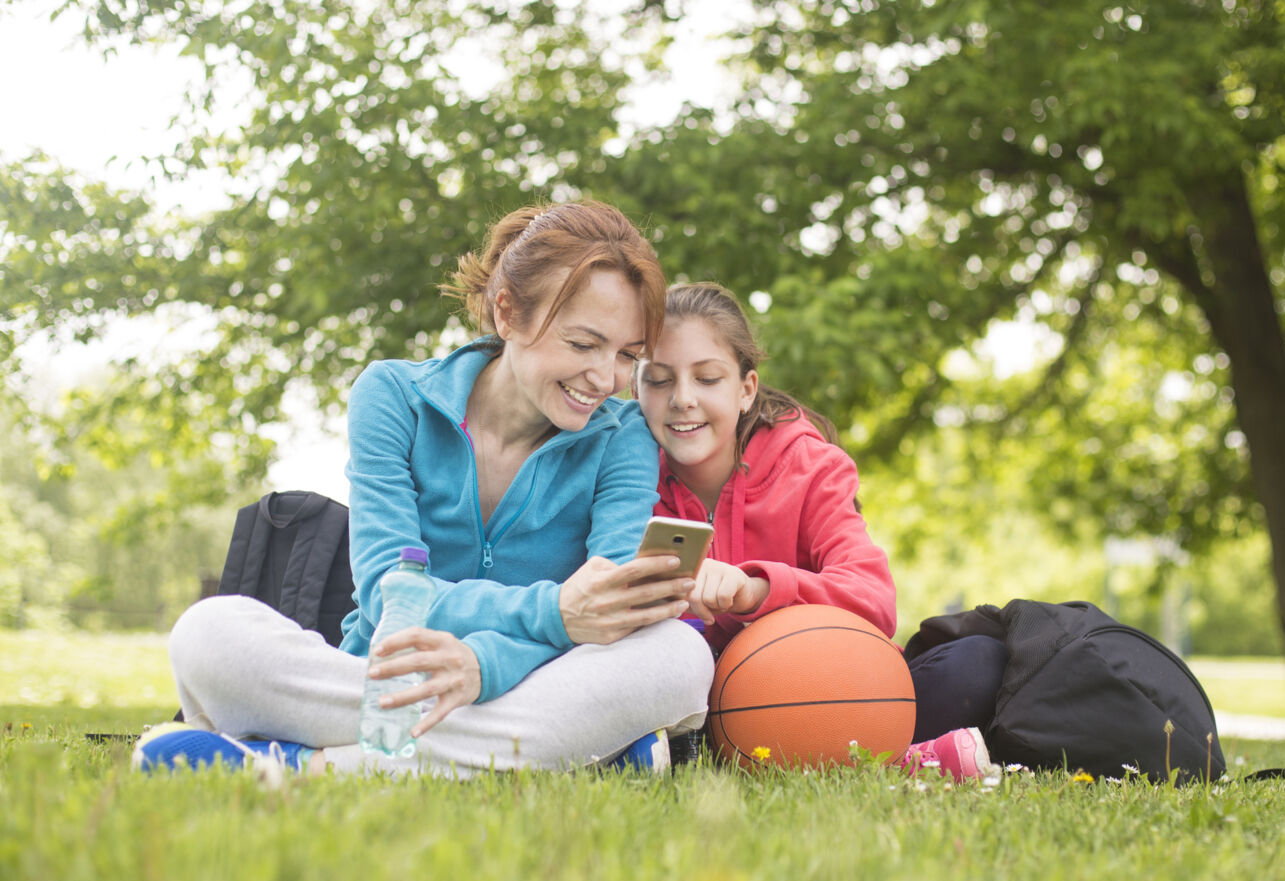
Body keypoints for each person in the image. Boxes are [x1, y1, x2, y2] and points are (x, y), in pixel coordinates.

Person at [138, 201, 715, 777]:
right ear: (508, 312)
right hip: (392, 669)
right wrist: (555, 612)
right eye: (584, 344)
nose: (605, 378)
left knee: (680, 656)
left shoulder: (625, 436)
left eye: (627, 356)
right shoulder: (394, 396)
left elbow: (611, 608)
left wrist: (485, 665)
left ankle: (306, 766)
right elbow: (390, 594)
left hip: (539, 677)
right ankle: (572, 753)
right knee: (208, 635)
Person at [634, 282, 1001, 782]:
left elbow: (873, 601)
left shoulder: (809, 467)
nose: (682, 399)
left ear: (745, 390)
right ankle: (901, 757)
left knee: (974, 664)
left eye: (707, 378)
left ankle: (878, 746)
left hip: (816, 682)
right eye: (658, 380)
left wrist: (755, 591)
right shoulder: (626, 475)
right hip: (692, 692)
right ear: (634, 389)